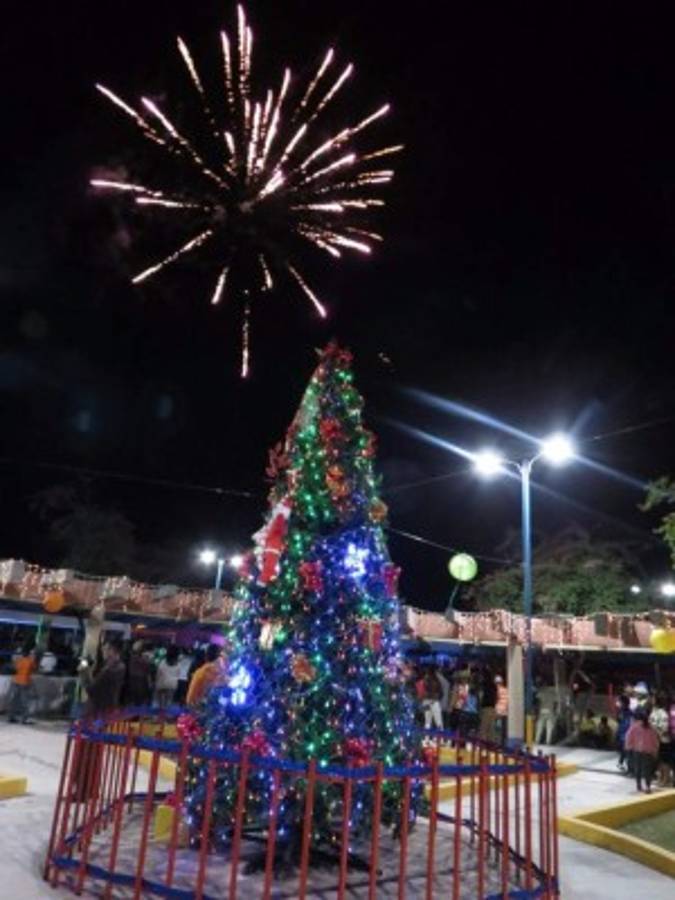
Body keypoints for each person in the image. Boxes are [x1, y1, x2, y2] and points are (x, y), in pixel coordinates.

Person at [80, 639, 126, 717]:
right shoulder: (121, 666)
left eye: (106, 649)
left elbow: (91, 689)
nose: (104, 652)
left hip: (98, 710)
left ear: (112, 650)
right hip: (109, 708)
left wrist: (84, 669)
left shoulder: (109, 670)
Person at [625, 709, 660, 793]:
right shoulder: (651, 728)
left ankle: (639, 786)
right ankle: (648, 787)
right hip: (648, 752)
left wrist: (629, 747)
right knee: (647, 770)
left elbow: (628, 737)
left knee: (638, 769)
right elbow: (655, 740)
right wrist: (655, 750)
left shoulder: (634, 727)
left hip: (637, 750)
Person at [7, 642, 36, 724]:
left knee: (14, 700)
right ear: (29, 653)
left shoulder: (19, 660)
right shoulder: (30, 661)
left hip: (16, 680)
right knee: (25, 701)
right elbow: (34, 669)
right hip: (25, 681)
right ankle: (24, 719)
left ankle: (11, 717)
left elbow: (14, 668)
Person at [649, 693, 672, 788]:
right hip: (655, 739)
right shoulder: (654, 711)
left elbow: (664, 728)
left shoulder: (662, 713)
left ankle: (666, 780)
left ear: (656, 701)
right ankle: (661, 778)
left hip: (662, 740)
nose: (651, 700)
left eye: (653, 698)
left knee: (664, 761)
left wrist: (657, 735)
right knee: (659, 761)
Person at [125, 641, 154, 706]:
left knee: (135, 688)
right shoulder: (140, 657)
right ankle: (138, 701)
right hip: (139, 675)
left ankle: (136, 701)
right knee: (138, 689)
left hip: (134, 674)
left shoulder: (133, 656)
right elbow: (146, 665)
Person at [419, 667, 444, 731]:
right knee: (438, 721)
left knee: (427, 721)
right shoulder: (437, 681)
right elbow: (441, 693)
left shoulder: (424, 680)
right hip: (434, 702)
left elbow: (421, 692)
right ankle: (441, 737)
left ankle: (426, 737)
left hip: (426, 702)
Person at [535, 679, 558, 746]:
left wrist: (537, 711)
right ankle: (548, 742)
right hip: (550, 711)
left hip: (542, 711)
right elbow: (556, 703)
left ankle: (537, 741)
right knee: (549, 727)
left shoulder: (541, 691)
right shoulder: (553, 693)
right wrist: (554, 711)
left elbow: (538, 702)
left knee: (539, 727)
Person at [479, 665, 498, 742]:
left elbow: (481, 696)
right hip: (493, 708)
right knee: (491, 729)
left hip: (486, 708)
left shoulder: (484, 685)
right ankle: (491, 747)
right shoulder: (494, 685)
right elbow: (496, 697)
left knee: (484, 729)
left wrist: (480, 707)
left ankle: (483, 747)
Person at [616, 694, 632, 772]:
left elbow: (629, 724)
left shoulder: (629, 712)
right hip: (621, 734)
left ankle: (626, 765)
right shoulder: (620, 711)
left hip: (626, 734)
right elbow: (619, 721)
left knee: (626, 750)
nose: (619, 703)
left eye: (620, 702)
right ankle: (621, 763)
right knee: (623, 750)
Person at [495, 675, 509, 744]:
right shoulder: (506, 690)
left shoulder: (496, 690)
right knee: (503, 731)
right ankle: (502, 744)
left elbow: (495, 700)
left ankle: (497, 744)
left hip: (498, 713)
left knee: (497, 730)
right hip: (505, 713)